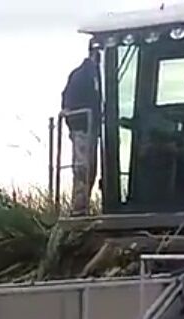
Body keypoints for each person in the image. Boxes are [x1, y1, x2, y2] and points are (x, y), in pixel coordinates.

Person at [62, 46, 102, 214]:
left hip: (87, 127)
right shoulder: (84, 75)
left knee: (88, 168)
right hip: (83, 128)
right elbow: (67, 105)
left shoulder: (87, 74)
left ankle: (81, 206)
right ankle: (79, 208)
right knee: (83, 168)